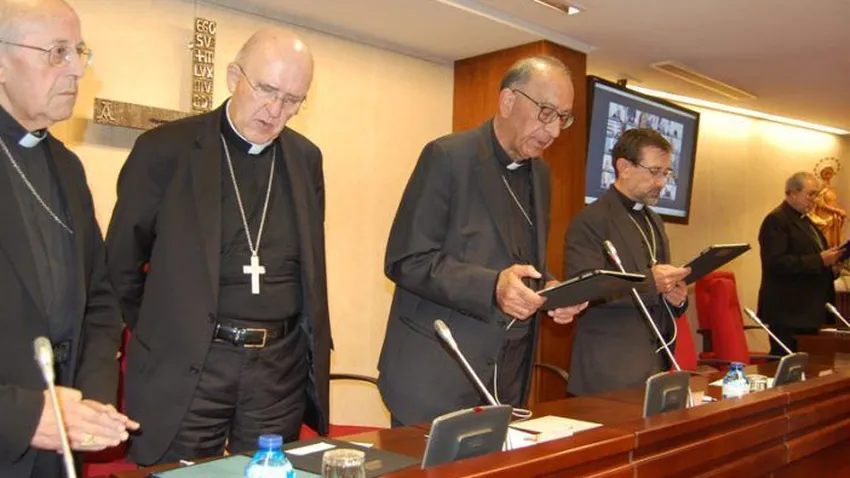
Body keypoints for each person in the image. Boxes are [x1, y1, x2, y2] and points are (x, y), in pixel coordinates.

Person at [106, 27, 330, 465]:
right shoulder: (164, 150)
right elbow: (121, 265)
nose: (275, 111)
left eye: (292, 100)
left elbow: (308, 264)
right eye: (267, 90)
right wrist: (169, 330)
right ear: (233, 77)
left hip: (277, 370)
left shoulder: (306, 159)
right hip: (191, 362)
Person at [377, 56, 587, 426]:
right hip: (437, 375)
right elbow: (406, 259)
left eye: (563, 117)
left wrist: (553, 290)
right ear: (508, 101)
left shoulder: (540, 174)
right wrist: (492, 287)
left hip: (505, 378)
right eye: (546, 112)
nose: (554, 130)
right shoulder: (447, 157)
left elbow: (522, 261)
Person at [0, 1, 137, 476]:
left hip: (61, 437)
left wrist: (91, 398)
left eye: (79, 51)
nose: (78, 69)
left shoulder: (66, 167)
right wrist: (19, 416)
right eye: (57, 52)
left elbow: (100, 298)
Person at [564, 128, 690, 396]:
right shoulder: (591, 220)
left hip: (655, 362)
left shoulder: (654, 220)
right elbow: (585, 291)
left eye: (666, 173)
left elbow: (658, 286)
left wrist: (675, 297)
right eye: (654, 171)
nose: (661, 182)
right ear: (624, 167)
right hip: (609, 369)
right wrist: (652, 284)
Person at [757, 172, 840, 354]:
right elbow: (775, 263)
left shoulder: (806, 221)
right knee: (788, 365)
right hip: (788, 311)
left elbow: (816, 259)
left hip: (808, 311)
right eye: (810, 194)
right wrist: (819, 260)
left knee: (812, 365)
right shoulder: (776, 220)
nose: (814, 200)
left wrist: (832, 266)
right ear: (792, 193)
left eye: (816, 195)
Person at [808, 159, 845, 248]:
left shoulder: (832, 189)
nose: (828, 175)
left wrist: (839, 212)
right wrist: (838, 211)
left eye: (830, 173)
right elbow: (821, 204)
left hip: (834, 218)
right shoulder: (821, 189)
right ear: (822, 174)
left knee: (834, 243)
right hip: (825, 219)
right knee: (826, 241)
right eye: (826, 173)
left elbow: (833, 202)